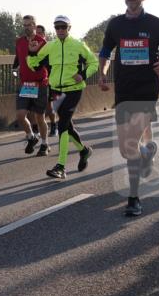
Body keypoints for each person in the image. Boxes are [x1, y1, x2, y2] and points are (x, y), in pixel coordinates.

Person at [99, 0, 159, 216]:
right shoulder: (115, 25)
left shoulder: (155, 24)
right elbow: (105, 52)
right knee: (126, 149)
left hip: (146, 90)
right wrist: (102, 74)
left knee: (130, 143)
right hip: (124, 90)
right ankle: (146, 152)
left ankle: (133, 198)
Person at [27, 16, 99, 179]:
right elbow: (34, 65)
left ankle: (61, 166)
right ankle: (84, 151)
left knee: (63, 125)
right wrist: (31, 52)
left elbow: (94, 63)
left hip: (74, 90)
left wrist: (83, 74)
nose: (60, 30)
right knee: (68, 126)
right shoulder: (49, 46)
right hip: (56, 91)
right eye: (57, 27)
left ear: (69, 28)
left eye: (63, 27)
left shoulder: (78, 45)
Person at [12, 15, 50, 156]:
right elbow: (19, 59)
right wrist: (15, 69)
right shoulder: (19, 42)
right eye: (24, 25)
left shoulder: (42, 42)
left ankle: (45, 143)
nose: (26, 27)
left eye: (29, 25)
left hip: (40, 84)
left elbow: (47, 62)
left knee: (40, 117)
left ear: (34, 26)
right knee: (20, 115)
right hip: (25, 84)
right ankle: (31, 137)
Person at [36, 24, 58, 135]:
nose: (37, 35)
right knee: (33, 107)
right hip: (34, 81)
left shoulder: (49, 47)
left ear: (44, 35)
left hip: (47, 80)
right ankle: (36, 129)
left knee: (49, 106)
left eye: (40, 33)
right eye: (36, 33)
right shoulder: (31, 45)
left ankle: (54, 125)